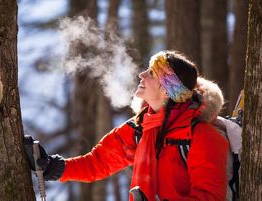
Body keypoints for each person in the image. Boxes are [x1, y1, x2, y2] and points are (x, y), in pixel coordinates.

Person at [24, 50, 228, 201]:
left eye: (151, 73)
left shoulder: (203, 137)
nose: (142, 75)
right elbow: (98, 163)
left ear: (167, 91)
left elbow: (210, 198)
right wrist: (54, 167)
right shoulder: (140, 128)